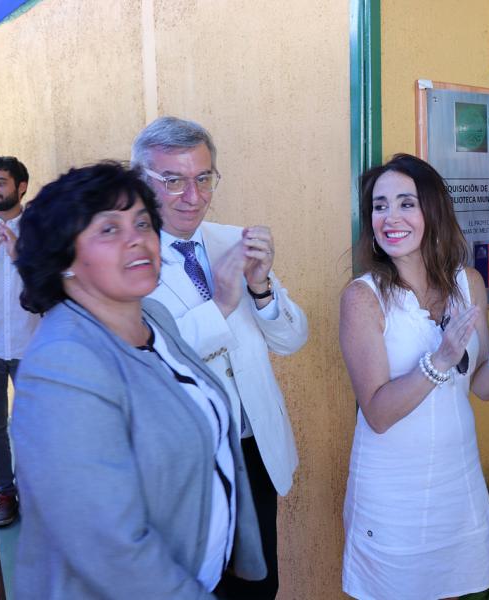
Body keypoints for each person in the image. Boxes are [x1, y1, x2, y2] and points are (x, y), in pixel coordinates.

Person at [10, 162, 266, 598]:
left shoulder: (154, 320)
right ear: (63, 258)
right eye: (108, 229)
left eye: (143, 223)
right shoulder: (62, 365)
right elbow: (108, 548)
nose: (137, 239)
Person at [340, 153, 489, 599]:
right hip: (394, 489)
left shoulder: (468, 282)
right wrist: (438, 361)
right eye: (379, 206)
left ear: (432, 210)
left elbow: (481, 389)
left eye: (405, 204)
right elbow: (377, 414)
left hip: (457, 479)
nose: (390, 218)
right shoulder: (363, 298)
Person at [131, 116, 308, 599]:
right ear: (139, 181)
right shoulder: (127, 257)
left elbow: (291, 340)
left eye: (204, 177)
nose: (194, 195)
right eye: (173, 180)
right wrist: (223, 305)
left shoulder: (233, 238)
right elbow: (147, 360)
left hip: (254, 448)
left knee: (262, 585)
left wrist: (261, 287)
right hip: (191, 461)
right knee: (204, 586)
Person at [0, 156, 40, 527]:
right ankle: (3, 492)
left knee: (35, 423)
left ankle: (37, 495)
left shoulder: (40, 229)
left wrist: (20, 255)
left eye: (0, 182)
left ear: (21, 186)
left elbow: (55, 280)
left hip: (32, 343)